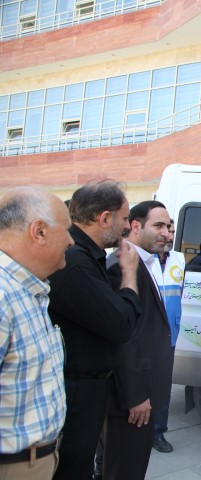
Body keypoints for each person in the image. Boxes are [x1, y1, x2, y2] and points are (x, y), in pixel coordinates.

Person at [48, 180, 142, 480]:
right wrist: (129, 273)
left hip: (86, 386)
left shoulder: (88, 256)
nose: (127, 226)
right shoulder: (77, 261)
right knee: (74, 468)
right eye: (124, 218)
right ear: (104, 218)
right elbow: (121, 325)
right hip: (78, 388)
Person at [0, 187, 73, 480]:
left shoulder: (28, 290)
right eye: (67, 230)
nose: (71, 241)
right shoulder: (3, 296)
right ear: (39, 231)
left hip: (36, 462)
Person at [103, 200, 173, 480]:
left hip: (144, 394)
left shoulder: (146, 262)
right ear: (135, 225)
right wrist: (135, 396)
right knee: (123, 470)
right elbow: (122, 337)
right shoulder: (121, 265)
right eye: (158, 226)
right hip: (131, 402)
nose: (166, 233)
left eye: (168, 226)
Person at [152, 218, 186, 453]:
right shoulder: (144, 259)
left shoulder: (179, 259)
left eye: (172, 231)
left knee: (163, 387)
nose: (169, 235)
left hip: (169, 334)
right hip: (145, 332)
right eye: (165, 230)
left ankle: (158, 433)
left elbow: (179, 292)